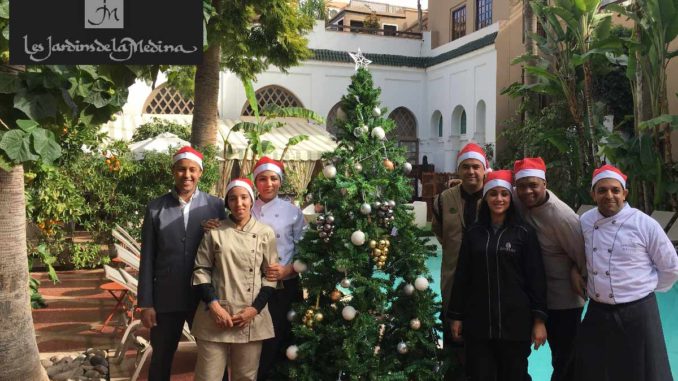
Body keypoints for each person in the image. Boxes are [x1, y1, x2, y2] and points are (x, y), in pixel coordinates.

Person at [575, 164, 678, 381]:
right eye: (602, 190)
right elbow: (575, 255)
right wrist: (574, 272)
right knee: (594, 369)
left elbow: (671, 267)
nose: (609, 195)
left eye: (615, 190)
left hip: (639, 312)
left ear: (625, 193)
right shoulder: (584, 222)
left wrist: (642, 287)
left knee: (645, 372)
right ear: (593, 194)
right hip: (598, 312)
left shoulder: (645, 225)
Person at [448, 169, 548, 381]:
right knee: (480, 374)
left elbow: (536, 278)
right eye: (493, 194)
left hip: (515, 324)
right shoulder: (474, 233)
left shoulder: (524, 233)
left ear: (511, 198)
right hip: (479, 323)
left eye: (504, 194)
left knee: (515, 375)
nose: (499, 199)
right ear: (485, 199)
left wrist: (539, 320)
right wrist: (456, 316)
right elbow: (463, 276)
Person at [137, 146, 227, 381]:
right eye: (181, 169)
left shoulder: (216, 206)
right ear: (173, 171)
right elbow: (147, 258)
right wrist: (145, 303)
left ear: (200, 173)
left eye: (192, 170)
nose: (187, 175)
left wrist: (221, 231)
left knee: (215, 357)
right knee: (162, 358)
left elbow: (230, 247)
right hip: (166, 299)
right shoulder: (156, 207)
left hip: (204, 298)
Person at [191, 178, 278, 381]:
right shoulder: (215, 232)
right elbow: (201, 270)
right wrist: (214, 307)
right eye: (233, 199)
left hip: (250, 317)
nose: (239, 203)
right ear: (227, 203)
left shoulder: (265, 233)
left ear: (251, 199)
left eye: (243, 197)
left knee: (245, 377)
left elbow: (270, 277)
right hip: (214, 316)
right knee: (207, 377)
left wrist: (254, 309)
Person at [513, 157, 586, 381]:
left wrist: (576, 270)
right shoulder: (516, 200)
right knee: (516, 354)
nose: (527, 191)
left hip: (562, 302)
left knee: (565, 361)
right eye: (522, 186)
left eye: (533, 185)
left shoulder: (563, 218)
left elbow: (583, 257)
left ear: (545, 184)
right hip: (531, 298)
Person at [431, 142, 488, 378]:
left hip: (486, 284)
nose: (471, 172)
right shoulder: (443, 200)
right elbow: (440, 233)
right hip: (453, 281)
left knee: (483, 344)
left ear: (485, 169)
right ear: (458, 170)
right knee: (454, 342)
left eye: (476, 167)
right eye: (466, 167)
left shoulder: (496, 196)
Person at [250, 157, 306, 380]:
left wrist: (289, 270)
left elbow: (306, 251)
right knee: (256, 343)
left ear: (280, 182)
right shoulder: (245, 207)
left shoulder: (292, 212)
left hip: (286, 286)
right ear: (255, 182)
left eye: (273, 178)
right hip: (253, 287)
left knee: (282, 339)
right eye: (262, 179)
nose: (268, 183)